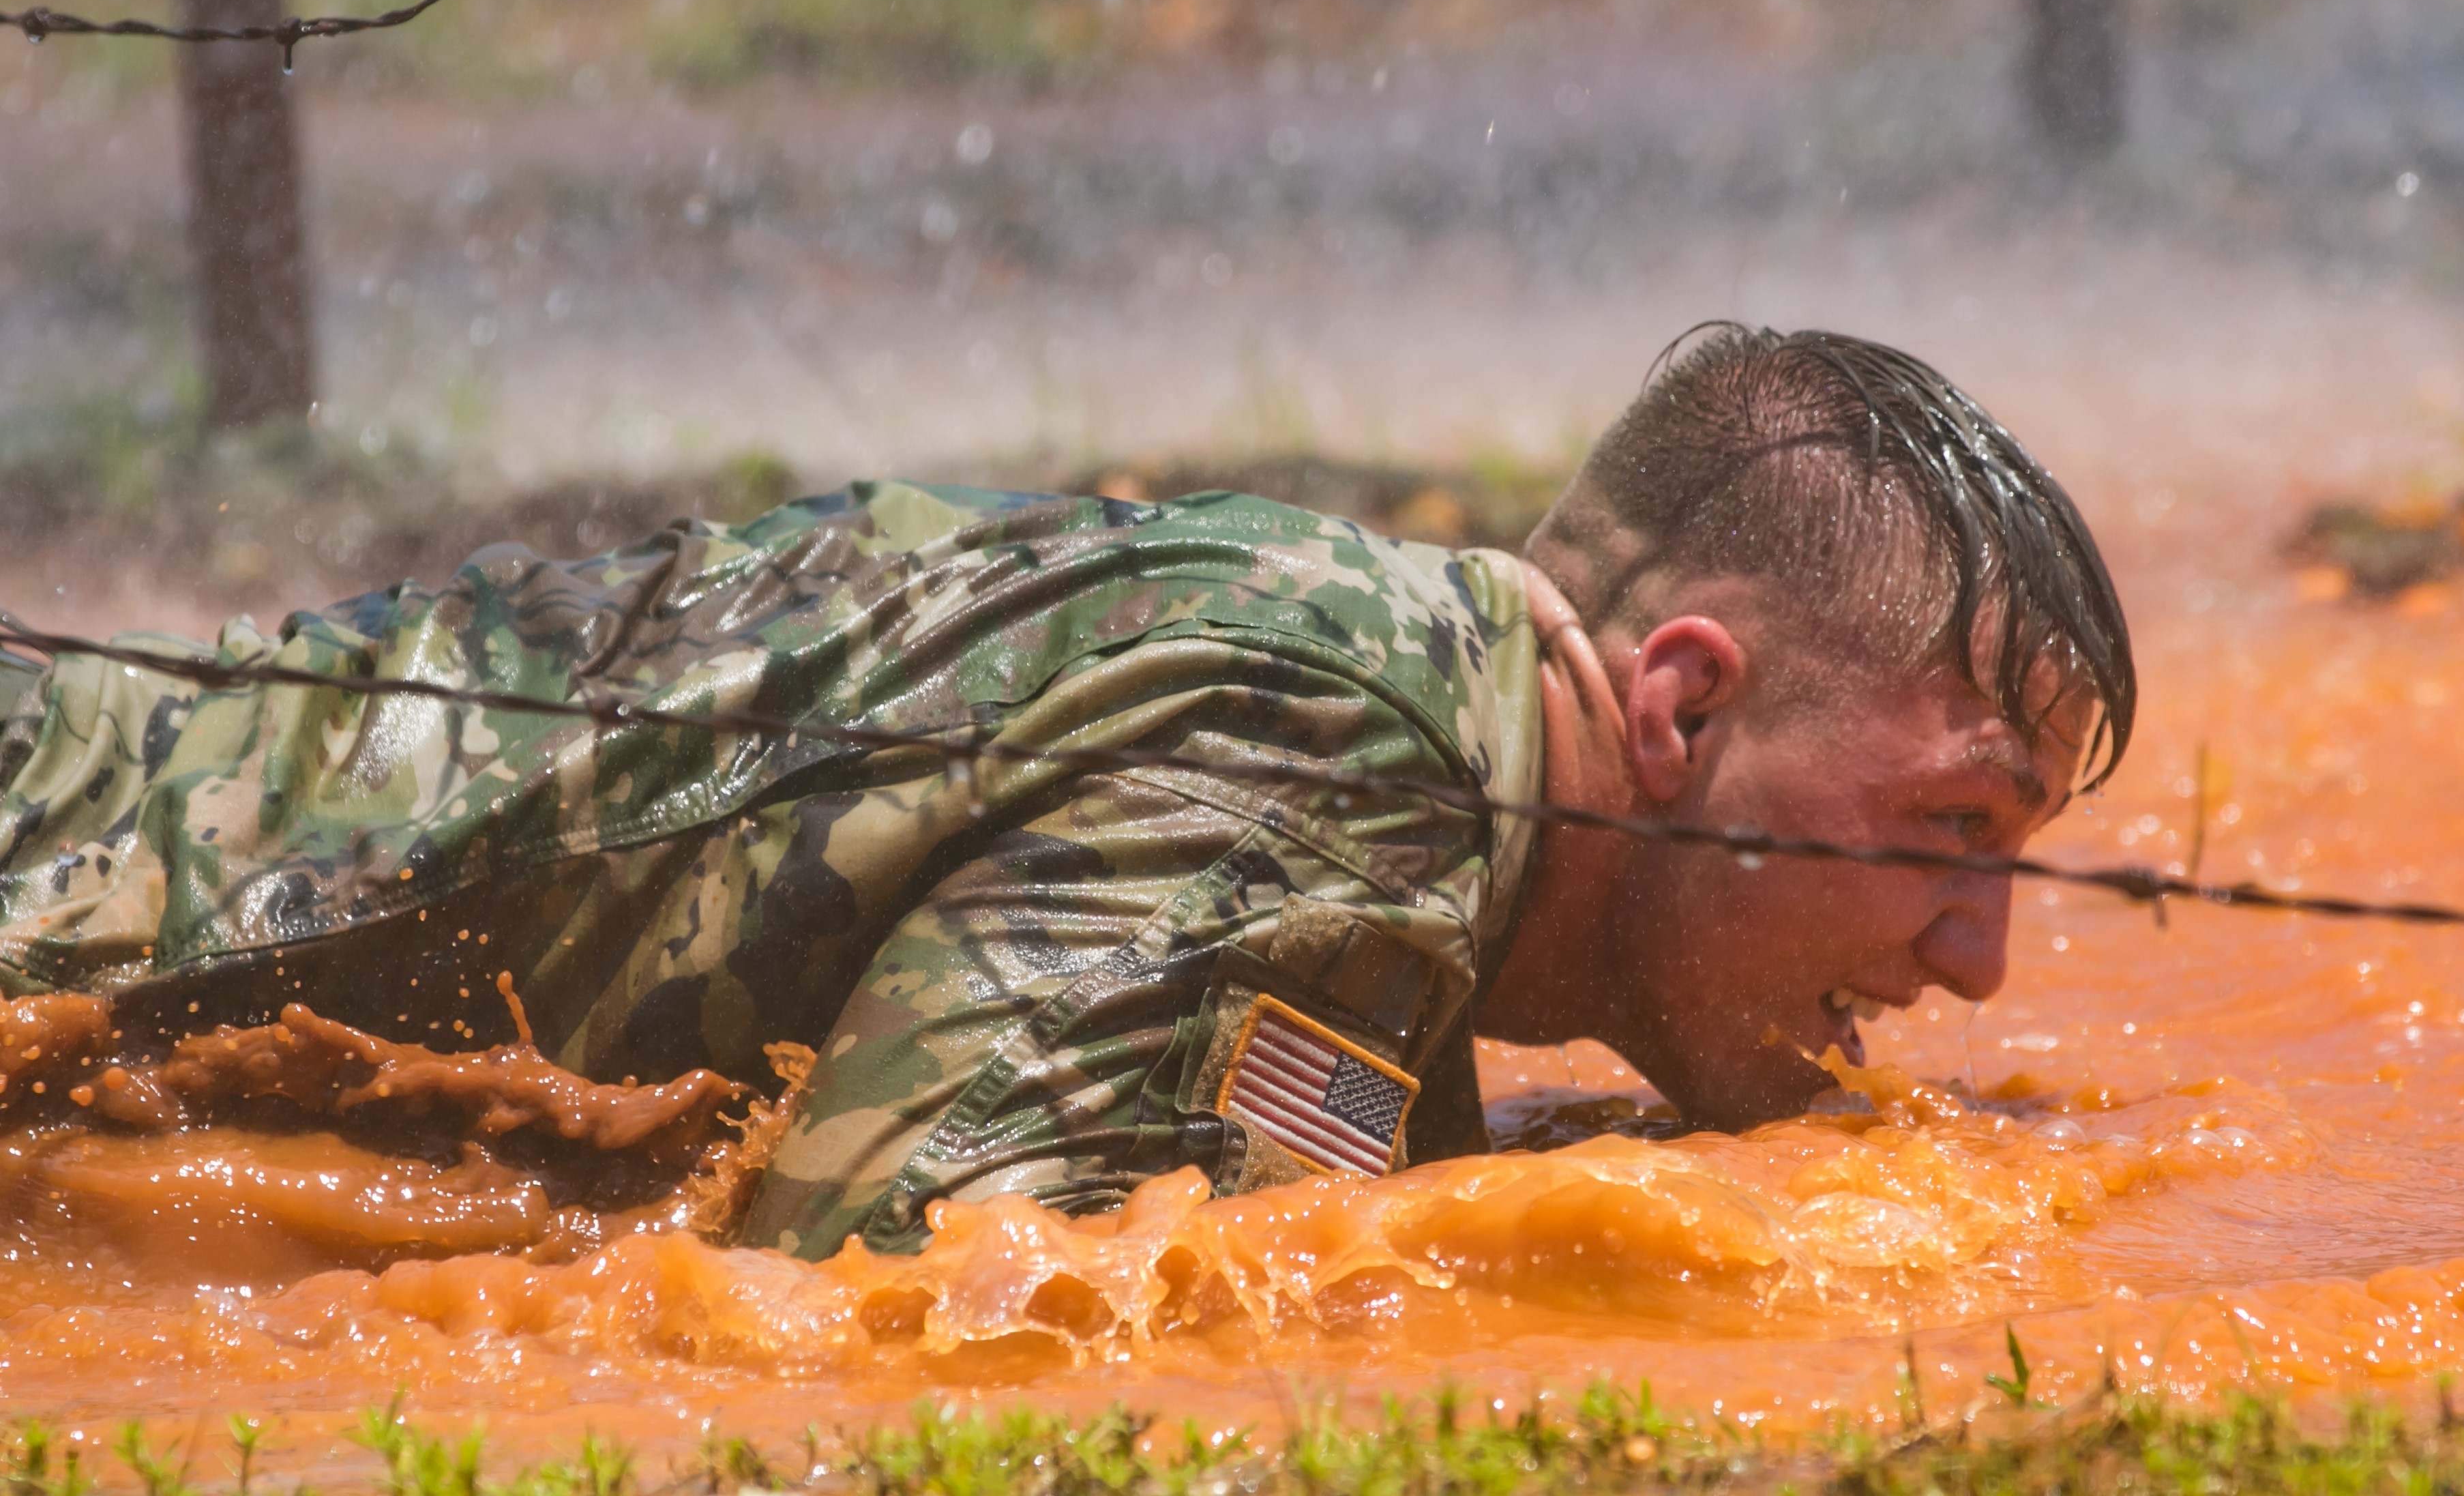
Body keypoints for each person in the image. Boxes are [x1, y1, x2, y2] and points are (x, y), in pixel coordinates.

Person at [0, 327, 2133, 1258]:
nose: (1981, 961)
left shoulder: (1384, 754)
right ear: (1679, 704)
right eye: (1955, 833)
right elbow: (912, 1305)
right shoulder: (1351, 768)